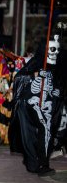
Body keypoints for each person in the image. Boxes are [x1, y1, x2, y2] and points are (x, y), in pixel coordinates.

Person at [9, 36, 64, 176]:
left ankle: (38, 163)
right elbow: (19, 79)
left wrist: (57, 91)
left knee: (45, 133)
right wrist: (36, 75)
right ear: (45, 51)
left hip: (47, 106)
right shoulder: (36, 63)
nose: (55, 53)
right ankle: (40, 164)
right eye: (52, 49)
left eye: (57, 50)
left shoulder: (58, 67)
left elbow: (59, 87)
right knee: (41, 132)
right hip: (32, 104)